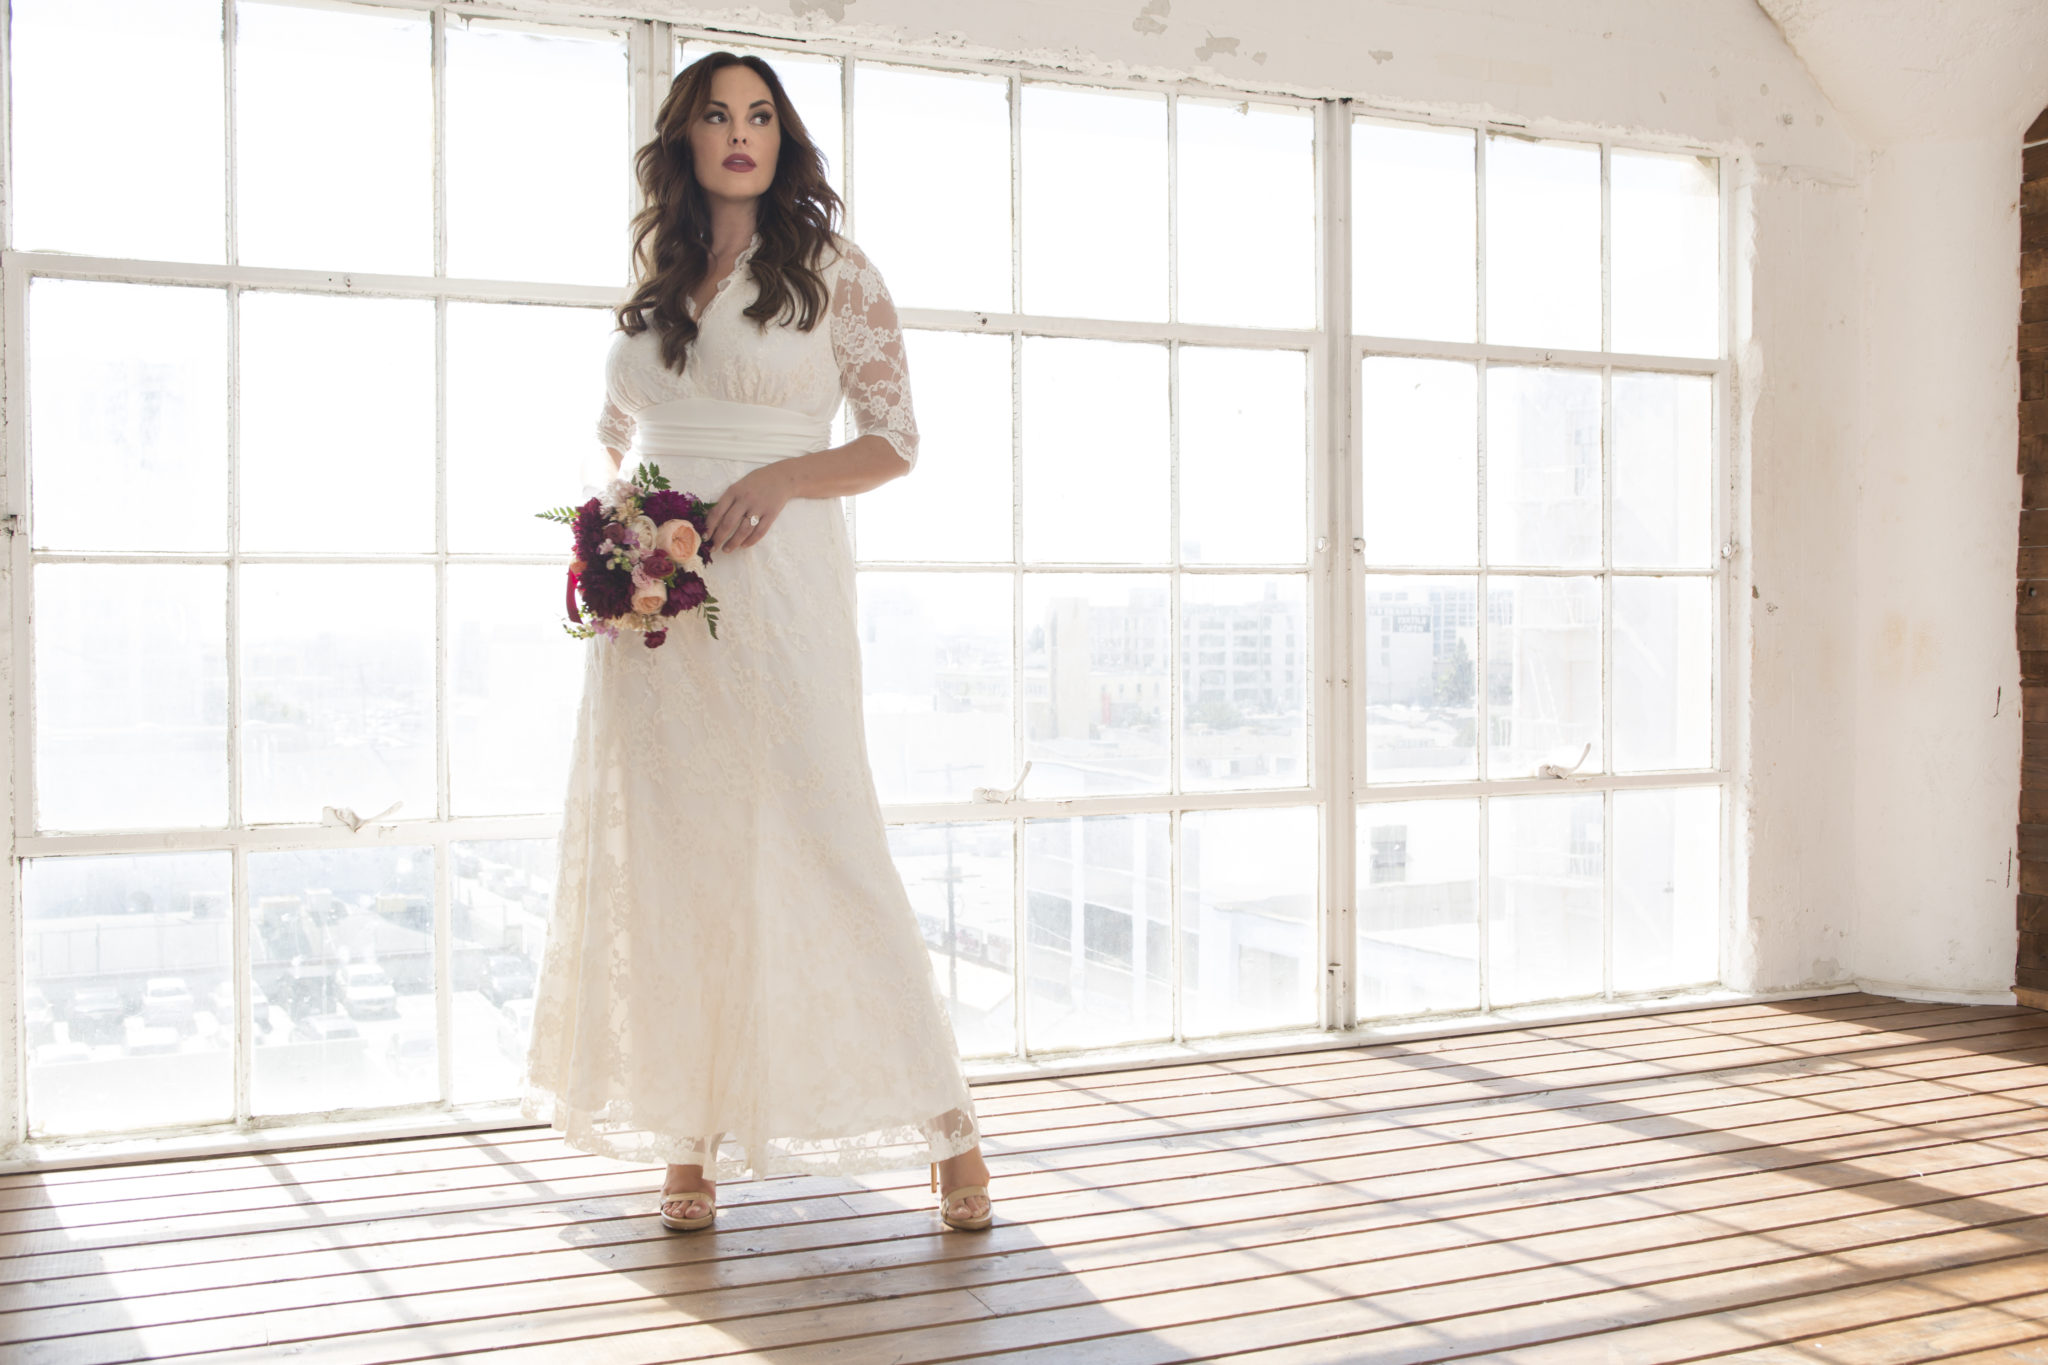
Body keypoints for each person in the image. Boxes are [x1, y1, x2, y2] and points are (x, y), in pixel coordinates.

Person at [520, 50, 994, 1234]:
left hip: (776, 589)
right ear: (684, 140)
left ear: (785, 141)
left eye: (761, 117)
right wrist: (612, 538)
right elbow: (620, 437)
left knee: (824, 833)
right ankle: (688, 1141)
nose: (741, 134)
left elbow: (893, 441)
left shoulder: (833, 271)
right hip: (655, 616)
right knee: (675, 855)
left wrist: (782, 473)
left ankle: (949, 1127)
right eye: (719, 117)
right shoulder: (657, 275)